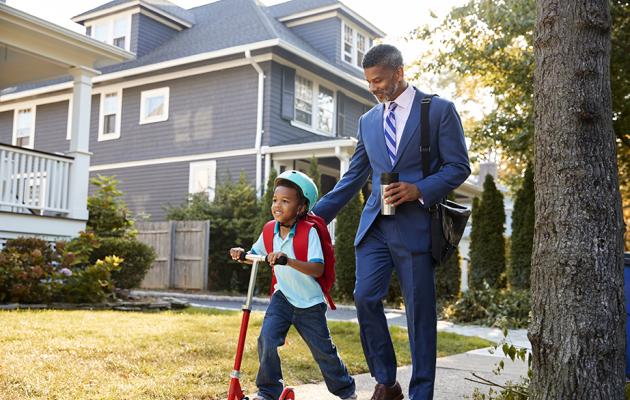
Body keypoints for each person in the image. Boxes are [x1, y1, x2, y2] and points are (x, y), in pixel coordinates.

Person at [311, 44, 471, 400]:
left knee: (419, 316)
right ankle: (387, 381)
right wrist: (312, 217)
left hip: (416, 228)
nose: (374, 89)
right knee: (365, 298)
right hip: (375, 228)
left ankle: (421, 394)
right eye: (369, 82)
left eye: (379, 80)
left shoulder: (438, 111)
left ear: (399, 72)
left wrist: (420, 189)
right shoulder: (368, 121)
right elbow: (353, 177)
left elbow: (459, 167)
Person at [229, 170, 356, 400]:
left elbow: (318, 268)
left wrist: (288, 260)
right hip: (283, 298)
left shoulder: (310, 232)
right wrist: (242, 254)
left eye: (285, 201)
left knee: (323, 353)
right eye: (275, 200)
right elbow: (255, 254)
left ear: (301, 208)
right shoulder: (269, 230)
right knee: (266, 339)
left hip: (310, 304)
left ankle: (347, 391)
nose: (277, 205)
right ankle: (268, 391)